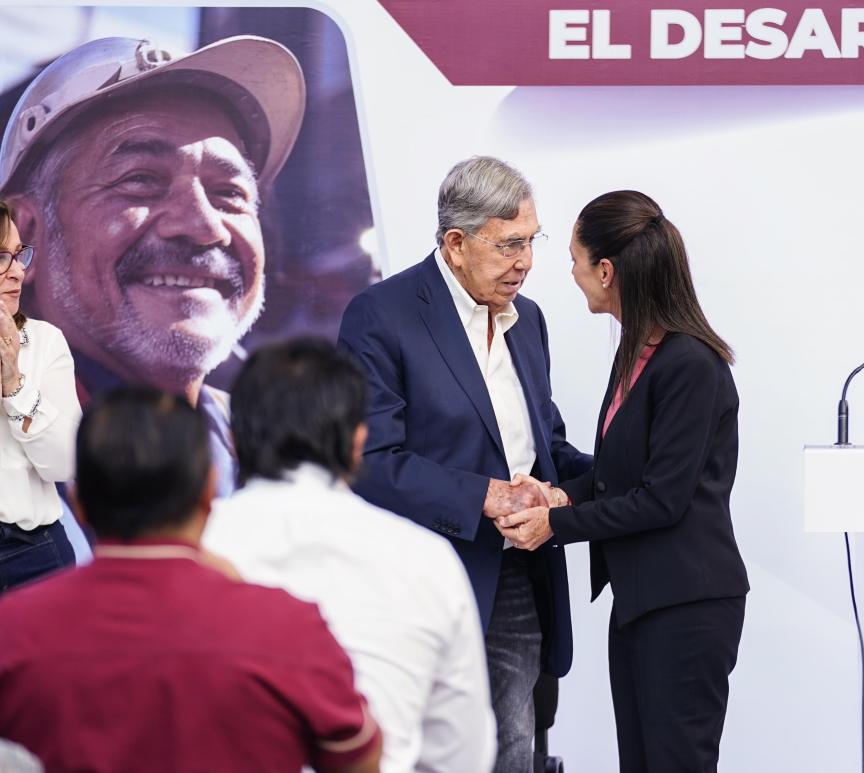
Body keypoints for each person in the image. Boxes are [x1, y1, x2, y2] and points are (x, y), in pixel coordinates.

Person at [337, 156, 591, 772]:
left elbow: (546, 445)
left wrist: (607, 479)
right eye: (509, 245)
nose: (525, 262)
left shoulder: (529, 320)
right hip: (423, 585)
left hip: (519, 574)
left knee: (511, 750)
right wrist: (486, 496)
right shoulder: (382, 315)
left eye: (531, 241)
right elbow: (370, 460)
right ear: (456, 244)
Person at [0, 386, 382, 773]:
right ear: (208, 491)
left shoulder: (13, 631)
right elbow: (358, 759)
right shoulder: (287, 625)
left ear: (78, 503)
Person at [498, 190, 750, 772]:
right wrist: (557, 493)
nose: (571, 274)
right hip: (641, 601)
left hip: (686, 606)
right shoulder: (637, 352)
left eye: (575, 260)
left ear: (606, 271)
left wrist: (554, 523)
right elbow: (620, 475)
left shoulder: (690, 364)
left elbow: (661, 500)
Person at [0, 34, 305, 498]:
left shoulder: (279, 461)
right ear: (25, 236)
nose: (204, 227)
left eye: (229, 194)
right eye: (141, 180)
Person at [204, 338, 496, 773]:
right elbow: (462, 756)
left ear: (231, 440)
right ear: (359, 440)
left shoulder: (194, 551)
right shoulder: (427, 559)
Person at [0, 200, 80, 592]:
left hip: (32, 554)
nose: (18, 271)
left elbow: (65, 463)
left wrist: (14, 383)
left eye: (19, 255)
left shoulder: (45, 341)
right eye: (2, 257)